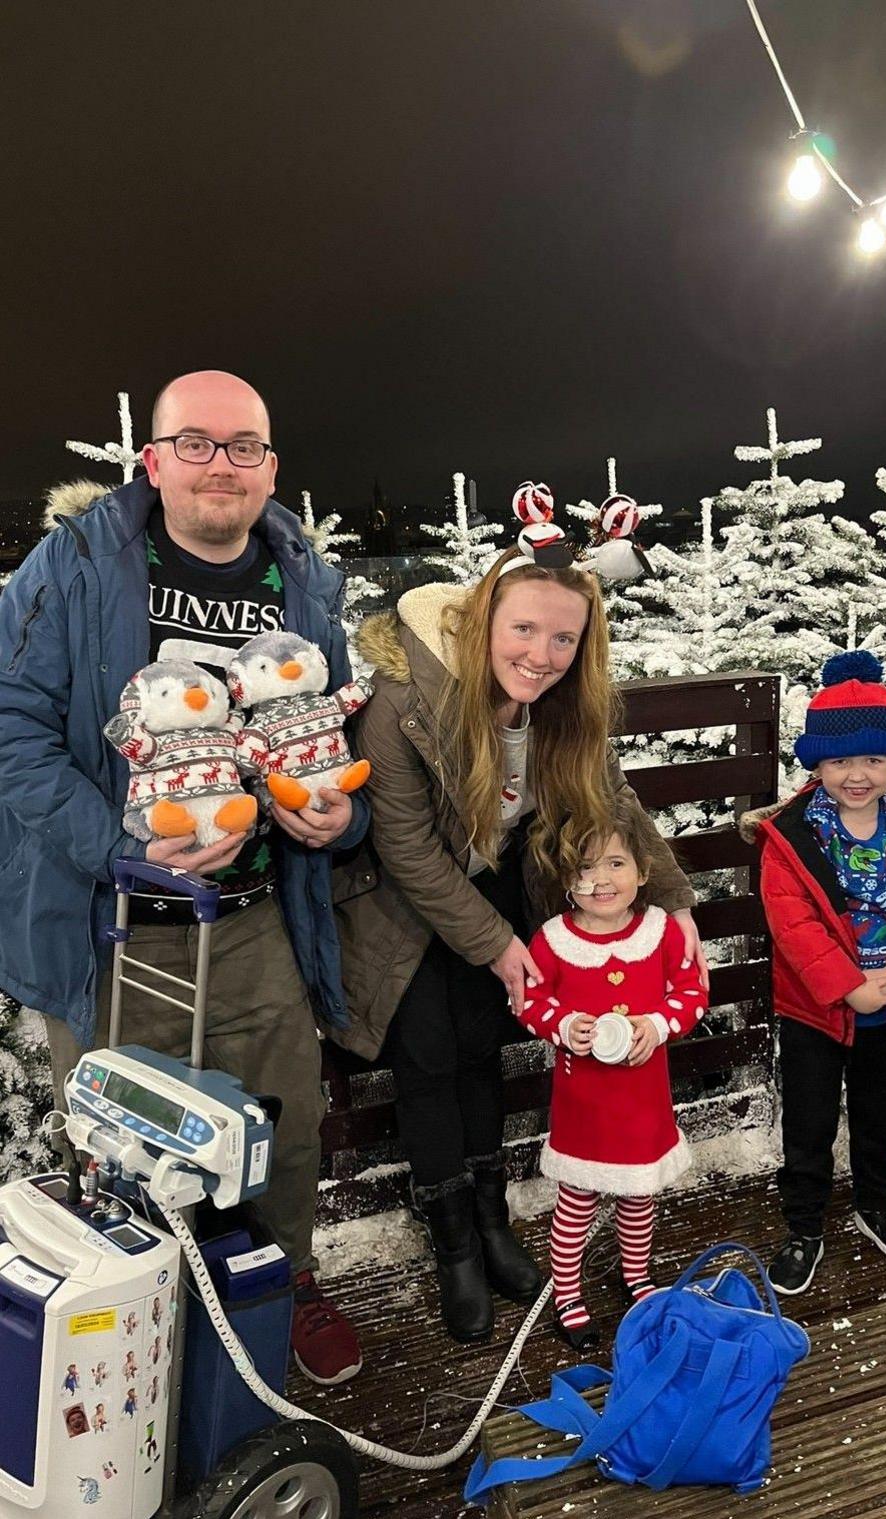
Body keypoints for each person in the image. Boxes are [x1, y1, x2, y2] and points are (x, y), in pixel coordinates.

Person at [0, 370, 367, 1385]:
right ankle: (143, 1330)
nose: (221, 465)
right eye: (195, 444)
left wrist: (338, 811)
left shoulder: (305, 584)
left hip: (254, 916)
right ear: (153, 461)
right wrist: (115, 838)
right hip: (105, 919)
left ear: (271, 468)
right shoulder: (71, 568)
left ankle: (279, 1285)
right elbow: (11, 729)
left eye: (243, 446)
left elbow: (324, 736)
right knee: (125, 1146)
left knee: (282, 1119)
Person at [333, 533, 707, 1343]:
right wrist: (503, 947)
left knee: (481, 1049)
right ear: (482, 621)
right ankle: (455, 1245)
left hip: (498, 881)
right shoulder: (404, 704)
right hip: (406, 905)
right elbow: (405, 849)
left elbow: (614, 800)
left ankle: (495, 1222)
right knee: (429, 1057)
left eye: (563, 638)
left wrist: (672, 900)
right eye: (525, 631)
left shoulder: (562, 709)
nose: (541, 655)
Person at [747, 652, 886, 1297]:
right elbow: (795, 925)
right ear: (817, 764)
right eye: (840, 761)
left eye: (873, 759)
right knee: (809, 1120)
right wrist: (847, 985)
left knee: (880, 1114)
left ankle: (876, 1205)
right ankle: (804, 1226)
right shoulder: (792, 837)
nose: (857, 775)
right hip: (816, 1008)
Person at [518, 810, 709, 1348]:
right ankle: (568, 1290)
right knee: (576, 1202)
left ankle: (636, 1273)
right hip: (585, 1106)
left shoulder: (661, 932)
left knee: (639, 1196)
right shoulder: (553, 940)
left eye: (616, 863)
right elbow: (530, 1000)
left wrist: (657, 1023)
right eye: (583, 867)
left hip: (644, 1104)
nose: (600, 879)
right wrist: (561, 1025)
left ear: (643, 873)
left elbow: (691, 994)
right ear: (565, 879)